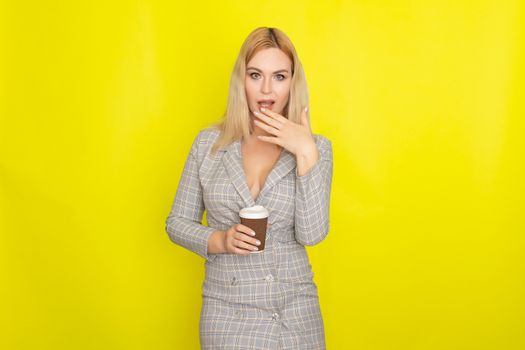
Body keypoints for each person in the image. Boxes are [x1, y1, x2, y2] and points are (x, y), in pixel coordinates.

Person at [165, 27, 333, 349]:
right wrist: (219, 240)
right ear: (241, 80)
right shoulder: (208, 145)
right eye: (256, 75)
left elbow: (312, 234)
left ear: (292, 83)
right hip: (227, 314)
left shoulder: (317, 148)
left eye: (280, 76)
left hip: (294, 316)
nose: (267, 89)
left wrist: (306, 152)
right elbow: (176, 223)